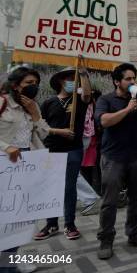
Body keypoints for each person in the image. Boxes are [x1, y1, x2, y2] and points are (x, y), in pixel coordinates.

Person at [94, 63, 137, 260]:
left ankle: (135, 234)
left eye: (134, 78)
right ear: (117, 81)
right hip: (113, 158)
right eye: (128, 79)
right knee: (109, 202)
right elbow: (104, 121)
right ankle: (106, 240)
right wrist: (127, 109)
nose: (133, 82)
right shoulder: (106, 99)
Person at [0, 67, 48, 273]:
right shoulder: (2, 103)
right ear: (15, 85)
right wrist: (5, 147)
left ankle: (10, 259)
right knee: (5, 219)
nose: (33, 87)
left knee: (21, 218)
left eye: (36, 83)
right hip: (5, 166)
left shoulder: (32, 107)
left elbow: (44, 134)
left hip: (27, 165)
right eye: (28, 83)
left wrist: (36, 114)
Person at [35, 66, 91, 241]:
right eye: (70, 78)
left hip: (73, 149)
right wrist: (59, 131)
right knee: (51, 187)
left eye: (76, 78)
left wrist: (83, 74)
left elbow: (87, 94)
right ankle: (51, 223)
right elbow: (40, 126)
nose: (73, 82)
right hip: (51, 150)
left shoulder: (80, 101)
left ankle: (70, 224)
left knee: (69, 187)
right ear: (60, 81)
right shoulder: (48, 102)